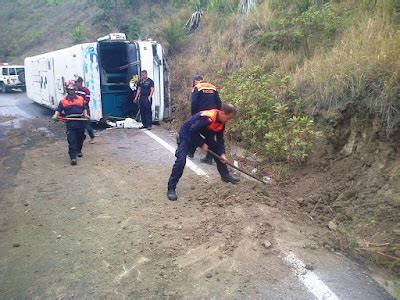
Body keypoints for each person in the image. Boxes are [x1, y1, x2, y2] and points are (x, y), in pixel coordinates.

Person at [167, 104, 240, 201]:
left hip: (201, 134)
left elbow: (220, 140)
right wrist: (202, 144)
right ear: (222, 113)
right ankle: (171, 188)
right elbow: (192, 131)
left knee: (217, 152)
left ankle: (225, 176)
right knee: (181, 160)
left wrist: (222, 153)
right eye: (228, 118)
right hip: (187, 134)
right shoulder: (207, 118)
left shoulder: (221, 122)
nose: (228, 120)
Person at [52, 80, 88, 166]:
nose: (71, 91)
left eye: (73, 89)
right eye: (69, 89)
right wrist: (55, 115)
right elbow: (58, 110)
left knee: (81, 137)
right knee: (72, 140)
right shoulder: (63, 101)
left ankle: (78, 150)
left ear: (75, 89)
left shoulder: (80, 99)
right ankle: (73, 157)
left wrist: (86, 115)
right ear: (67, 90)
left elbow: (84, 108)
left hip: (80, 121)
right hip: (70, 122)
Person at [189, 74, 222, 165]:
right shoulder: (213, 88)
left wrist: (194, 117)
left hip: (202, 116)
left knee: (194, 131)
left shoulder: (197, 88)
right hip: (213, 116)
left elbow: (194, 103)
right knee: (210, 135)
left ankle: (191, 152)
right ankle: (208, 158)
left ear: (196, 81)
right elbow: (219, 103)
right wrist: (217, 115)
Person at [75, 76, 95, 144]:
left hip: (85, 108)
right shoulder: (75, 90)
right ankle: (82, 137)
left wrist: (80, 103)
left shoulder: (86, 90)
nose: (75, 84)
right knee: (79, 125)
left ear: (80, 82)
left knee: (87, 125)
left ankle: (92, 137)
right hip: (77, 109)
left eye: (76, 82)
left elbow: (87, 100)